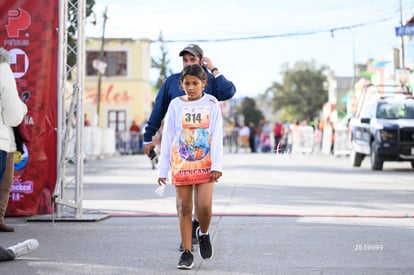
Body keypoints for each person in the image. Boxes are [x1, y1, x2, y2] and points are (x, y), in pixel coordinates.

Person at [144, 44, 235, 250]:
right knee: (184, 206)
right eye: (185, 60)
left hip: (204, 157)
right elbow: (159, 111)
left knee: (203, 205)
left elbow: (228, 91)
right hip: (182, 158)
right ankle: (186, 247)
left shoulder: (210, 85)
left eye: (193, 60)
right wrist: (148, 136)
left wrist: (213, 68)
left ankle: (200, 230)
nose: (188, 64)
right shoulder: (173, 85)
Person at [157, 64, 223, 270]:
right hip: (181, 163)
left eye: (195, 83)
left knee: (204, 206)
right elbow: (168, 137)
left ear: (204, 83)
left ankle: (203, 233)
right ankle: (186, 253)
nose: (191, 87)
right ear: (181, 84)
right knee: (184, 208)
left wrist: (217, 164)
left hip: (205, 163)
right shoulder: (175, 105)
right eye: (187, 83)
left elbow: (217, 135)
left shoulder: (211, 102)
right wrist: (163, 169)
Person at [0, 48, 28, 232]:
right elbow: (13, 116)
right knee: (4, 182)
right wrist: (23, 108)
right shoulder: (2, 68)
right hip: (1, 139)